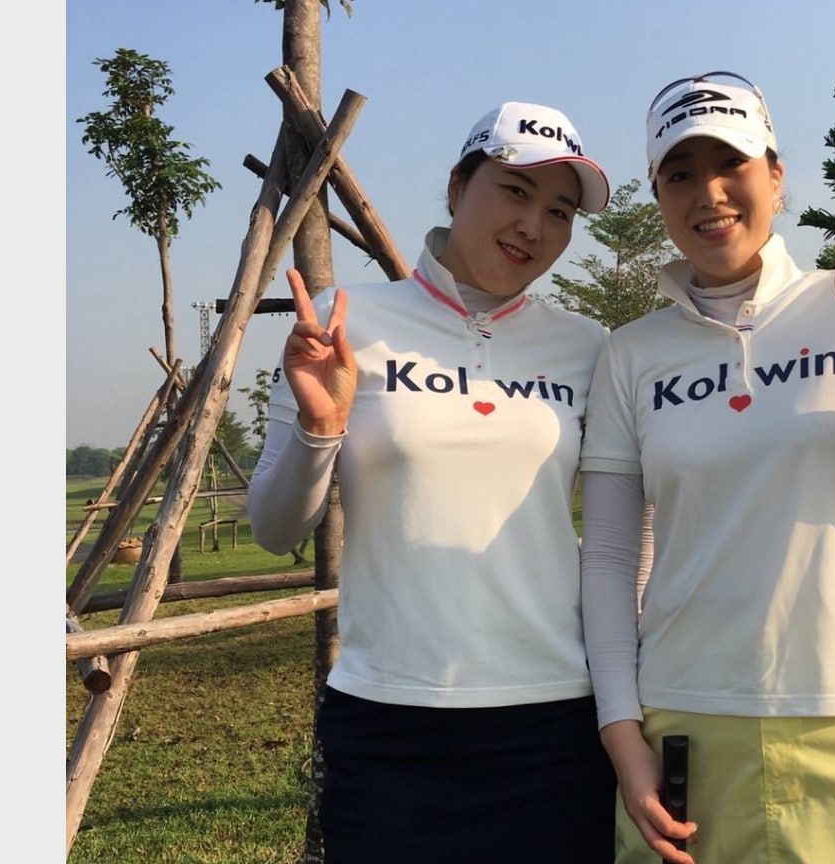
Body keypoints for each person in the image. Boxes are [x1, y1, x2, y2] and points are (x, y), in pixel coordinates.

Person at [578, 71, 835, 863]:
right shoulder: (630, 353)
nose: (709, 193)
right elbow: (612, 558)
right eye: (680, 174)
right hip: (685, 726)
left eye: (733, 163)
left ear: (777, 177)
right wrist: (622, 736)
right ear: (658, 195)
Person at [247, 100, 617, 863]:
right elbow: (274, 529)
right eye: (514, 191)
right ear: (456, 187)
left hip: (553, 722)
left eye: (560, 211)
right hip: (389, 724)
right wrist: (321, 427)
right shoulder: (341, 323)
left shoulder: (589, 349)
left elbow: (622, 538)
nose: (533, 226)